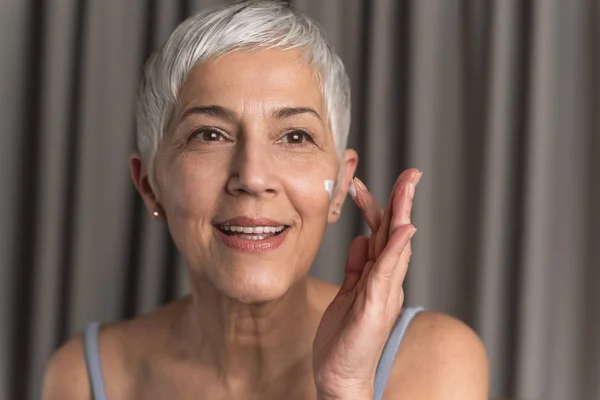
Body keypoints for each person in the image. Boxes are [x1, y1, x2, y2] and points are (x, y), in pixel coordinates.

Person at [42, 1, 489, 399]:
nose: (253, 177)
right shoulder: (82, 376)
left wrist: (343, 390)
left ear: (341, 183)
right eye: (209, 135)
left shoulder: (436, 359)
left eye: (295, 136)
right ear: (148, 185)